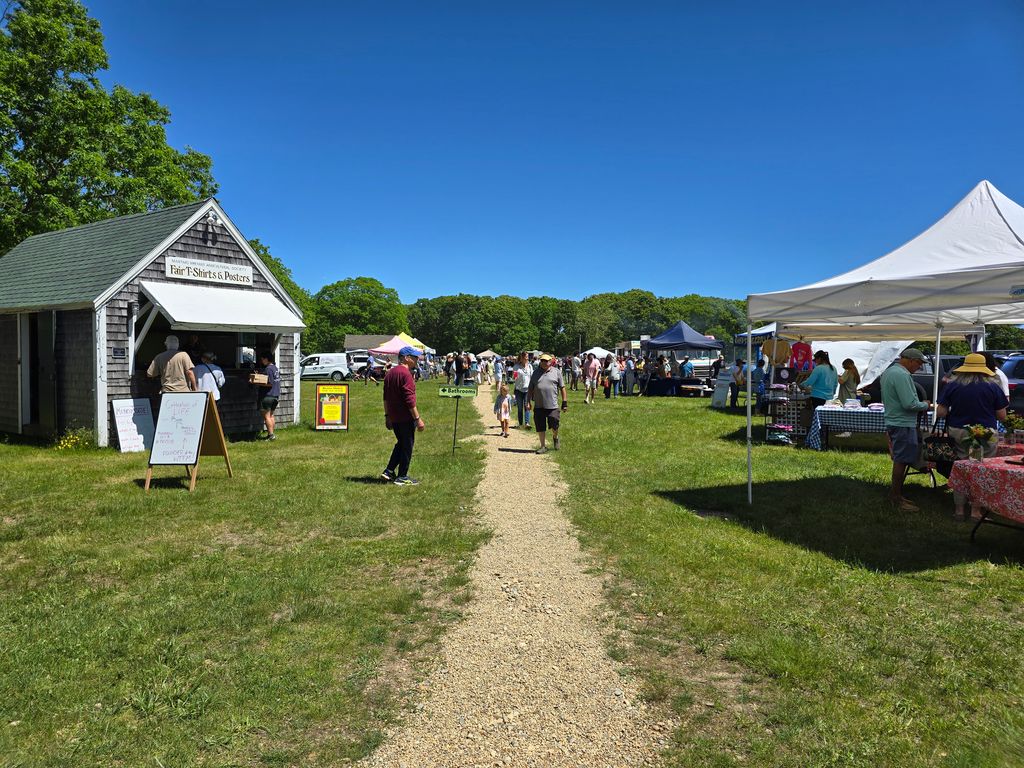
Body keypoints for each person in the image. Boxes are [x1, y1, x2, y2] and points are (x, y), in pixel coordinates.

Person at [936, 354, 1009, 520]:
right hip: (984, 434)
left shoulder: (953, 385)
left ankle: (959, 510)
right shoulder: (993, 386)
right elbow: (1002, 416)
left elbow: (941, 412)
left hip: (959, 431)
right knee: (979, 469)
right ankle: (976, 510)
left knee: (962, 468)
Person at [880, 348, 931, 511]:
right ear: (909, 360)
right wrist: (926, 404)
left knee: (900, 459)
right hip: (903, 423)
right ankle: (895, 497)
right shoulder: (902, 375)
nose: (919, 367)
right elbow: (910, 404)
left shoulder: (889, 372)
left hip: (895, 421)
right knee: (901, 460)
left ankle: (897, 495)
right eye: (918, 363)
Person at [381, 346, 426, 485]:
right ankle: (402, 476)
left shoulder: (390, 373)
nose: (417, 359)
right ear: (406, 358)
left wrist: (387, 416)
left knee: (401, 443)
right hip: (405, 417)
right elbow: (409, 399)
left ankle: (388, 471)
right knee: (407, 446)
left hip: (394, 417)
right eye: (415, 357)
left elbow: (385, 397)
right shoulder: (406, 374)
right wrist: (417, 419)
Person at [527, 354, 568, 454]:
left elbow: (562, 388)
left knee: (554, 423)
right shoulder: (535, 373)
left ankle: (555, 437)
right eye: (542, 361)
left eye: (546, 361)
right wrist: (528, 402)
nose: (544, 363)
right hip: (539, 405)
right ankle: (543, 446)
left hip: (552, 405)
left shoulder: (557, 372)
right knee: (540, 426)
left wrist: (564, 402)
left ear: (551, 361)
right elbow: (530, 388)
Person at [250, 351, 282, 441]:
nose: (261, 360)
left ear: (266, 359)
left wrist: (257, 382)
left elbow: (269, 383)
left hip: (267, 396)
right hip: (275, 395)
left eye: (262, 359)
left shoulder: (268, 369)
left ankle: (271, 435)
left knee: (267, 416)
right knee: (271, 416)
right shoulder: (275, 368)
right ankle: (272, 434)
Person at [513, 352, 533, 428]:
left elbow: (531, 377)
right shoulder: (516, 367)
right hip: (518, 390)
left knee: (527, 406)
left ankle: (527, 423)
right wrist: (515, 376)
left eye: (527, 357)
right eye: (525, 357)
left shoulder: (530, 366)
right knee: (520, 408)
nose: (526, 358)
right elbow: (514, 376)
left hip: (527, 390)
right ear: (521, 358)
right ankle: (520, 423)